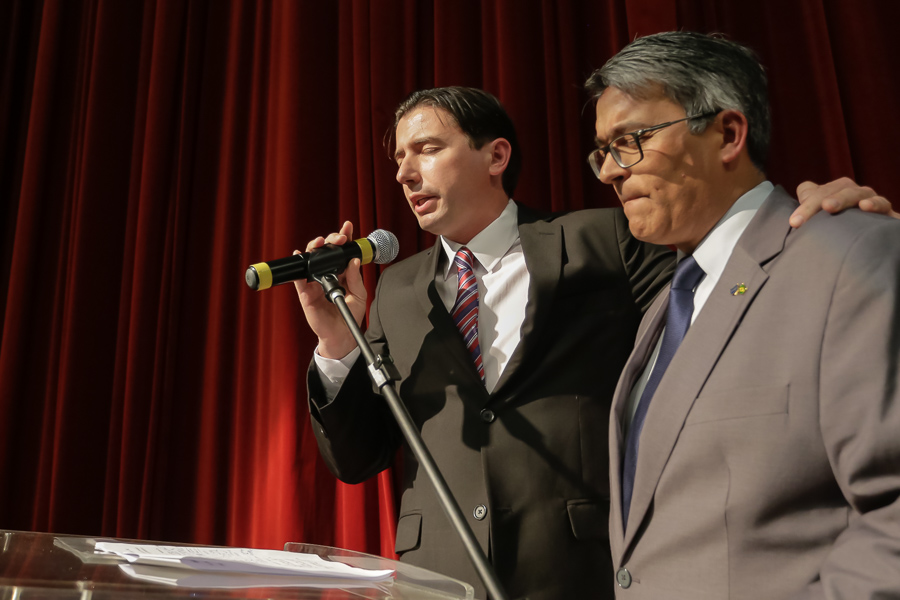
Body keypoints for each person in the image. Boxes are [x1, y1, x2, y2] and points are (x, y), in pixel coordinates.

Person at [294, 87, 889, 599]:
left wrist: (808, 225)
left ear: (496, 155)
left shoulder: (605, 239)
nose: (404, 173)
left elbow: (725, 291)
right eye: (399, 158)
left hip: (582, 568)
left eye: (426, 149)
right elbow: (358, 458)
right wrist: (337, 343)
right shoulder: (396, 290)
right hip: (441, 577)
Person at [587, 32, 900, 599]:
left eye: (630, 141)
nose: (610, 170)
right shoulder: (663, 307)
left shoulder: (852, 254)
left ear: (729, 134)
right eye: (603, 150)